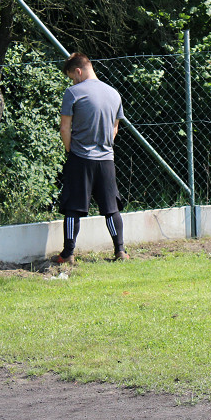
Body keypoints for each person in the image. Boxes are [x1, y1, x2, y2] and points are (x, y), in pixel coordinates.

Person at [54, 52, 128, 263]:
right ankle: (120, 251)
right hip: (106, 159)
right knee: (111, 208)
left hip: (80, 157)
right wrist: (104, 146)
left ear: (78, 71)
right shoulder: (114, 93)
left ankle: (68, 254)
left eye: (72, 77)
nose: (73, 82)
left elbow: (65, 128)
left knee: (73, 208)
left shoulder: (73, 93)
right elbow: (115, 128)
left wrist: (70, 150)